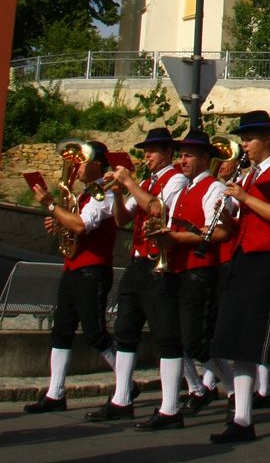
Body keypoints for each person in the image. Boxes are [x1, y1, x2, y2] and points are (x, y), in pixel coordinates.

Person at [208, 111, 270, 443]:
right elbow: (237, 221)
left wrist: (244, 197)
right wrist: (225, 209)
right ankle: (242, 419)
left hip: (269, 260)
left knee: (262, 339)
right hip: (243, 258)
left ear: (268, 139)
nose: (244, 145)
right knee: (238, 340)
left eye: (249, 139)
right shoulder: (249, 174)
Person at [86, 126, 188, 425]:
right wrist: (118, 194)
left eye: (153, 150)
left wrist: (128, 182)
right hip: (138, 262)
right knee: (125, 331)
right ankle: (122, 398)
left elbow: (158, 210)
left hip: (160, 263)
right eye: (145, 150)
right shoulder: (145, 181)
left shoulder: (176, 179)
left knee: (166, 335)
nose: (147, 156)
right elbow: (121, 218)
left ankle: (171, 407)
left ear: (169, 153)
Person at [23, 141, 119, 413]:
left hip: (93, 270)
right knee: (62, 331)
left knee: (95, 333)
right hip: (73, 267)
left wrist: (52, 205)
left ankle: (125, 383)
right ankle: (56, 393)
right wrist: (57, 220)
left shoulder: (104, 193)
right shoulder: (85, 195)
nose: (76, 167)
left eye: (83, 161)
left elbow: (81, 225)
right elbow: (72, 226)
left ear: (98, 164)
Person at [161, 130, 231, 421]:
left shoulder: (213, 187)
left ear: (205, 158)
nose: (182, 160)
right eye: (181, 154)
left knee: (196, 342)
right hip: (176, 268)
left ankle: (234, 388)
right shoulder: (182, 189)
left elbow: (214, 232)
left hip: (199, 271)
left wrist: (176, 239)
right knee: (170, 339)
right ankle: (169, 408)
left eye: (189, 155)